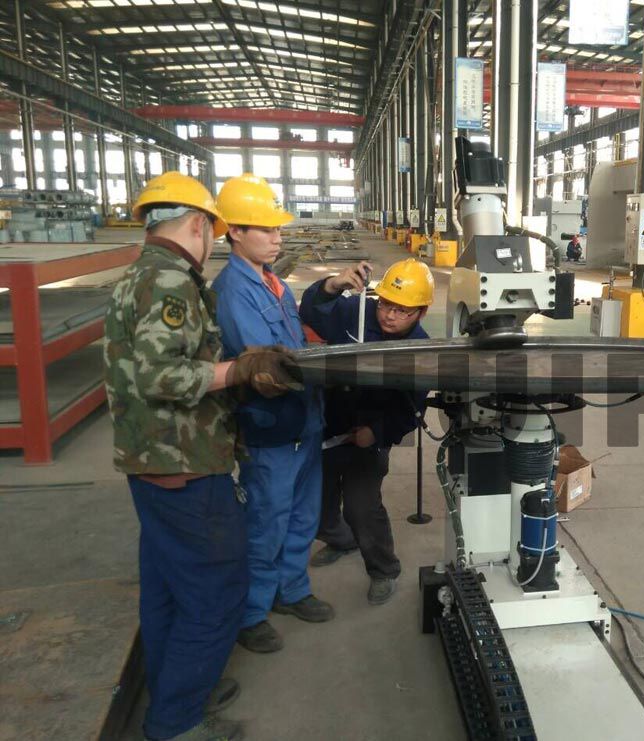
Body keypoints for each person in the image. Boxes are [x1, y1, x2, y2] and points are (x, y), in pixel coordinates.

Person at [104, 172, 301, 741]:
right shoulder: (170, 281)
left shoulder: (137, 275)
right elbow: (161, 375)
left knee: (168, 589)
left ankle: (175, 690)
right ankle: (176, 722)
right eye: (212, 230)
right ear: (198, 224)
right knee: (217, 592)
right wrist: (238, 371)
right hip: (184, 464)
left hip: (151, 461)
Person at [212, 174, 332, 654]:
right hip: (270, 428)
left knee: (303, 516)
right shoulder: (233, 291)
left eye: (278, 228)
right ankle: (251, 612)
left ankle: (292, 590)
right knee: (267, 521)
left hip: (305, 422)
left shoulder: (275, 283)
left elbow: (295, 343)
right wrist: (328, 367)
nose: (277, 237)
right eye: (265, 228)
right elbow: (261, 364)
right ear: (235, 231)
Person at [299, 258, 433, 605]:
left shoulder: (420, 350)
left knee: (361, 508)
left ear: (421, 313)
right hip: (328, 428)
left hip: (369, 440)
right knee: (315, 509)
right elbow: (311, 311)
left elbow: (413, 409)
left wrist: (377, 432)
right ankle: (342, 541)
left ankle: (384, 569)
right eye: (386, 304)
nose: (389, 315)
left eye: (402, 310)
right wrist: (331, 285)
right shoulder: (353, 312)